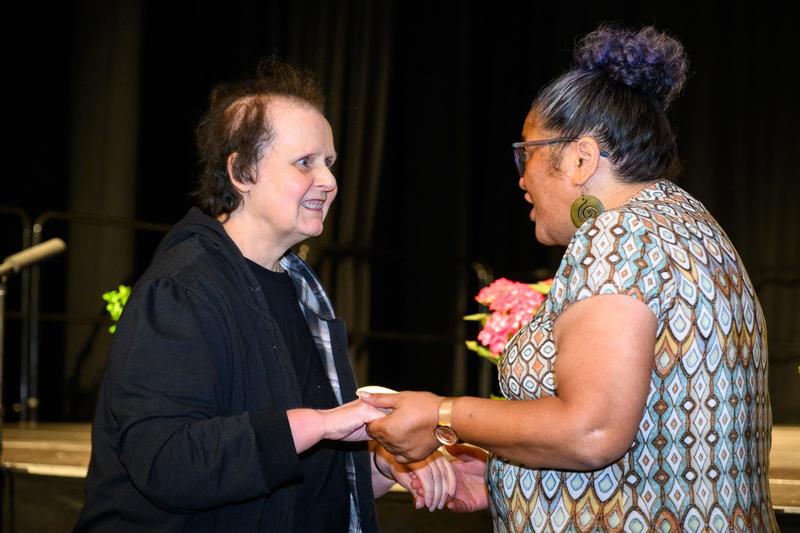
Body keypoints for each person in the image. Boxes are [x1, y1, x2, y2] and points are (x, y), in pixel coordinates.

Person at [363, 24, 778, 531]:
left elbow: (592, 430)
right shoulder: (686, 223)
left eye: (528, 153)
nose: (521, 177)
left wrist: (439, 415)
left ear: (580, 158)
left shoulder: (619, 237)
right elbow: (649, 437)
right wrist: (501, 470)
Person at [74, 58, 455, 532]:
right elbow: (168, 462)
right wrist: (324, 422)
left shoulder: (300, 290)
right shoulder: (181, 290)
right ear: (241, 171)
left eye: (330, 163)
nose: (330, 181)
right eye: (305, 163)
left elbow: (289, 470)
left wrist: (379, 466)